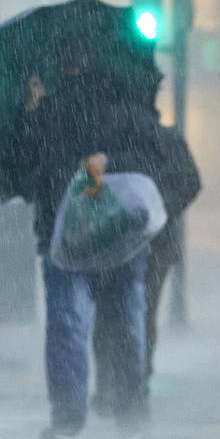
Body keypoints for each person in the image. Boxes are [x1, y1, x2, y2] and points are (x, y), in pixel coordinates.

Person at [8, 41, 168, 439]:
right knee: (123, 322)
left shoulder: (49, 111)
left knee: (69, 324)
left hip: (64, 235)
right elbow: (152, 160)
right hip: (120, 236)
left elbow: (23, 167)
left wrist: (29, 112)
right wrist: (112, 160)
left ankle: (69, 420)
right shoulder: (127, 107)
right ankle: (130, 413)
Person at [91, 122, 201, 414]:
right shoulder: (163, 139)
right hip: (150, 241)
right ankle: (132, 385)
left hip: (128, 240)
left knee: (114, 313)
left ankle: (114, 386)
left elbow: (189, 182)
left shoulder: (109, 136)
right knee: (140, 313)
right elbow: (190, 182)